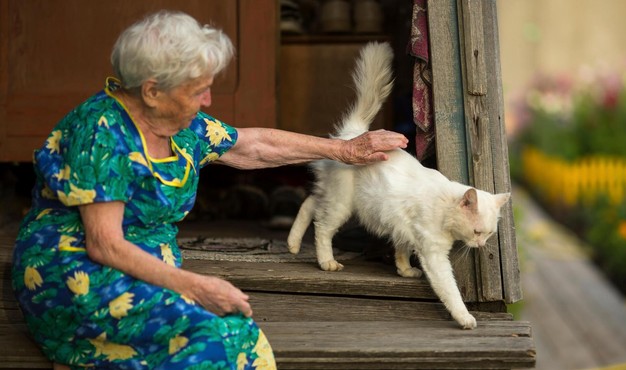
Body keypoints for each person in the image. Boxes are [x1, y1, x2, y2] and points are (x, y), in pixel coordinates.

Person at [10, 9, 407, 370]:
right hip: (79, 276)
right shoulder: (102, 132)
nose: (208, 99)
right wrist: (197, 286)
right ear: (151, 90)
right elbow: (104, 245)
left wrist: (345, 149)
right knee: (219, 345)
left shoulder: (180, 125)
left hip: (147, 270)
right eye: (198, 90)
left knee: (237, 339)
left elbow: (251, 145)